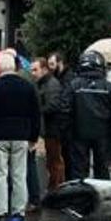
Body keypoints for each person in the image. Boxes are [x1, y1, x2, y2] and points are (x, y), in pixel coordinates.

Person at [0, 53, 41, 221]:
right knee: (19, 174)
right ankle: (18, 211)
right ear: (14, 67)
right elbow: (35, 113)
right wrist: (33, 137)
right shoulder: (27, 87)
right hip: (21, 135)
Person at [63, 50, 111, 181]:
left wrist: (66, 133)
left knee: (79, 169)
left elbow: (65, 110)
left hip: (79, 133)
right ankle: (102, 197)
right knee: (102, 169)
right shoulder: (108, 87)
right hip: (103, 135)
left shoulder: (74, 85)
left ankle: (80, 197)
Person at [31, 57, 68, 189]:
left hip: (53, 129)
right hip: (49, 129)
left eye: (35, 70)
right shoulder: (43, 83)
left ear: (44, 70)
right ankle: (54, 188)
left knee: (54, 161)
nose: (33, 73)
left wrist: (36, 110)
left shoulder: (51, 84)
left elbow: (53, 106)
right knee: (51, 162)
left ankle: (57, 189)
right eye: (32, 70)